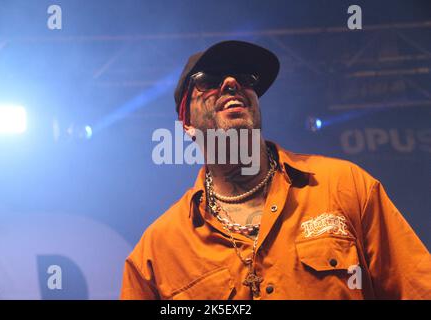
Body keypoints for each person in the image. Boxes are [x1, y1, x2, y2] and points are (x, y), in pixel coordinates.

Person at [120, 40, 431, 300]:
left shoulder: (344, 185)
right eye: (209, 79)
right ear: (186, 122)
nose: (232, 83)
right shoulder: (157, 251)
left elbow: (417, 288)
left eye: (245, 78)